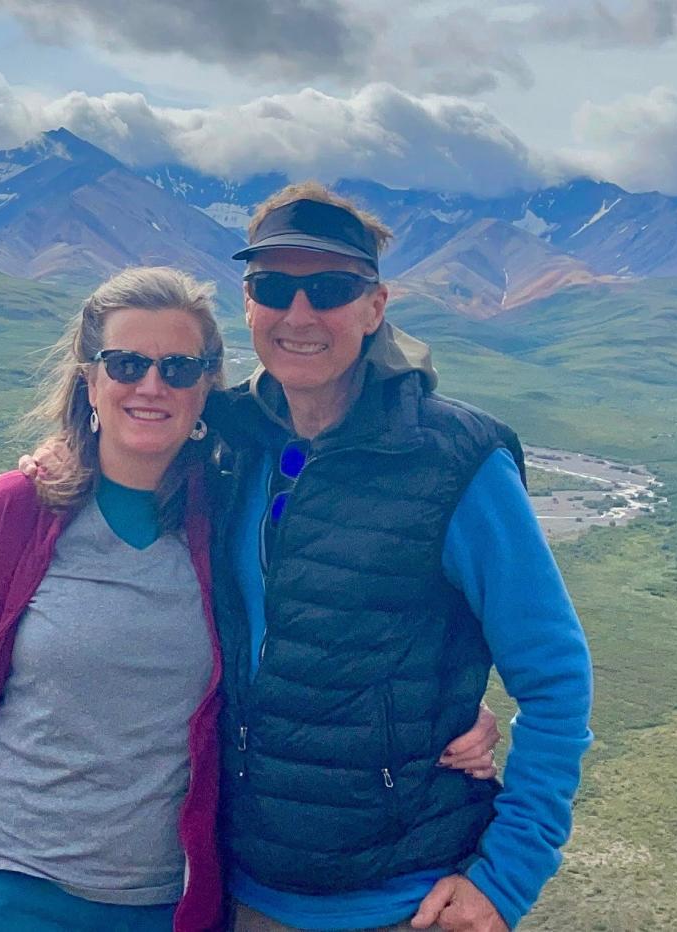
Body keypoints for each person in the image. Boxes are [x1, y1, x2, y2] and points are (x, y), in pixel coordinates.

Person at [0, 266, 500, 932]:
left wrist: (437, 711)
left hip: (170, 900)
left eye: (179, 369)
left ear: (207, 386)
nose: (151, 386)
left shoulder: (230, 513)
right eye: (126, 364)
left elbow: (311, 641)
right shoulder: (14, 515)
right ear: (89, 378)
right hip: (8, 886)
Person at [204, 183, 594, 932]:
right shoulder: (228, 444)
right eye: (274, 287)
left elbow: (556, 677)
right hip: (244, 888)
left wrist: (505, 880)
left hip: (405, 901)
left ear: (375, 307)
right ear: (248, 303)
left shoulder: (455, 462)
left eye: (330, 288)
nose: (299, 313)